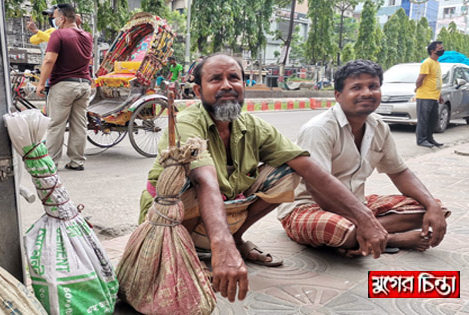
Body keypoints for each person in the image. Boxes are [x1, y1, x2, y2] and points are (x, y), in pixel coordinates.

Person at [140, 54, 389, 303]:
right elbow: (206, 182)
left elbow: (310, 169)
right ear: (197, 90)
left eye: (234, 78)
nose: (227, 85)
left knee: (290, 169)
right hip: (172, 218)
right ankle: (187, 254)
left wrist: (363, 216)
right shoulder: (188, 123)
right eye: (216, 79)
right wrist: (221, 247)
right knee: (191, 181)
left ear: (243, 86)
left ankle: (237, 240)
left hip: (222, 208)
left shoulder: (252, 126)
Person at [277, 59, 449, 257]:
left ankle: (362, 237)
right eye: (356, 87)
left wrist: (431, 206)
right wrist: (362, 218)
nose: (367, 93)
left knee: (434, 209)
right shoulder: (319, 129)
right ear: (338, 96)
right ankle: (391, 238)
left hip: (356, 205)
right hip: (308, 207)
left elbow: (399, 172)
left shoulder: (379, 126)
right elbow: (317, 188)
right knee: (336, 227)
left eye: (373, 86)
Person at [36, 4, 92, 171]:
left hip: (63, 85)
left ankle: (51, 163)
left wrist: (40, 84)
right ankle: (77, 161)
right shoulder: (87, 36)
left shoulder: (58, 35)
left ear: (62, 19)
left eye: (54, 17)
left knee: (56, 124)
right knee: (79, 124)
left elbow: (49, 60)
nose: (53, 20)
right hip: (84, 85)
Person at [415, 41, 445, 148]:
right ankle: (421, 140)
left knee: (433, 119)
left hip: (434, 96)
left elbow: (436, 80)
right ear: (433, 51)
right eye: (440, 48)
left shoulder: (436, 63)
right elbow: (420, 79)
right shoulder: (427, 63)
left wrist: (439, 95)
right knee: (423, 119)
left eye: (442, 48)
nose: (442, 49)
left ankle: (429, 138)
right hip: (425, 96)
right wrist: (417, 89)